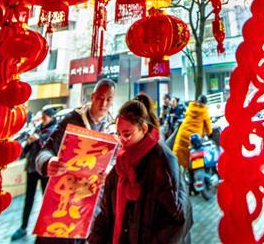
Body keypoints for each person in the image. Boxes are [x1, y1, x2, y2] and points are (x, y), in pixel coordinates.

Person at [88, 94, 190, 244]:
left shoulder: (162, 161)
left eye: (127, 134)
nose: (122, 140)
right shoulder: (122, 161)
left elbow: (177, 220)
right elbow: (106, 214)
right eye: (119, 134)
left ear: (143, 128)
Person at [35, 79, 116, 244]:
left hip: (91, 206)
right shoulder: (72, 120)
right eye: (100, 98)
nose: (104, 104)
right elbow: (44, 152)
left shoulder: (112, 128)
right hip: (63, 201)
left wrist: (110, 172)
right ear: (92, 97)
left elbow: (115, 162)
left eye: (108, 99)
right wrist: (48, 162)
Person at [12, 106, 59, 240]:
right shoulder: (38, 128)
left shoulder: (55, 131)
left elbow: (52, 148)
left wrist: (38, 140)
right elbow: (27, 147)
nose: (43, 119)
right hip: (32, 168)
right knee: (29, 198)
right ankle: (23, 226)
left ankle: (46, 227)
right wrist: (28, 142)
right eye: (42, 116)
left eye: (45, 117)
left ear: (51, 118)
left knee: (46, 199)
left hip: (45, 170)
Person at [172, 95, 212, 168]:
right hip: (193, 138)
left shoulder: (191, 107)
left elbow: (186, 116)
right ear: (205, 103)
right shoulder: (204, 111)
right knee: (192, 157)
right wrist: (210, 134)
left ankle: (181, 170)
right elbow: (208, 128)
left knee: (180, 154)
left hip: (182, 133)